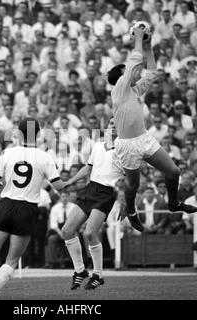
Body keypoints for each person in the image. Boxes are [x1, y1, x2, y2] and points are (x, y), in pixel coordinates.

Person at [107, 25, 197, 232]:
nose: (132, 74)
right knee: (133, 186)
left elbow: (152, 71)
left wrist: (148, 48)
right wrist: (138, 40)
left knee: (174, 172)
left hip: (144, 138)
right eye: (126, 73)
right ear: (120, 78)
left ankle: (173, 204)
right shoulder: (119, 89)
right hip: (127, 145)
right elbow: (132, 65)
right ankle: (131, 211)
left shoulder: (135, 90)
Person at [0, 118, 66, 300]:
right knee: (12, 259)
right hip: (27, 208)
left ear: (18, 133)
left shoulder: (8, 153)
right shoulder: (45, 157)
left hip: (6, 204)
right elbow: (58, 186)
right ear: (39, 134)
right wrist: (74, 182)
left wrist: (5, 183)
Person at [60, 117, 122, 290]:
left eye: (117, 124)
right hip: (90, 188)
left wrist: (125, 202)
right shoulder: (97, 146)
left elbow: (129, 179)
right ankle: (80, 271)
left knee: (89, 233)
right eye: (111, 124)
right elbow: (88, 168)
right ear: (106, 127)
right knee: (67, 230)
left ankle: (98, 274)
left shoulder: (124, 149)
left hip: (106, 193)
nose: (113, 126)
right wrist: (69, 181)